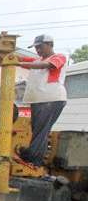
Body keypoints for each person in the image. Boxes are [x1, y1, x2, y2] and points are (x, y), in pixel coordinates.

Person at [14, 35, 68, 166]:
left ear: (50, 44)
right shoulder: (36, 60)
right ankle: (34, 159)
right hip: (39, 100)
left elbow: (46, 65)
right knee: (38, 131)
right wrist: (2, 54)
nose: (37, 50)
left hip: (51, 98)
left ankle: (32, 159)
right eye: (36, 47)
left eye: (40, 47)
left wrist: (19, 63)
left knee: (41, 131)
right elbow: (16, 58)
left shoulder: (59, 57)